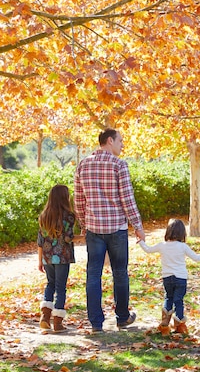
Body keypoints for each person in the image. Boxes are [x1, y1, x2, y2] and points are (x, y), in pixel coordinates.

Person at [74, 128, 146, 333]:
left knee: (93, 274)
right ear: (109, 141)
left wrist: (84, 223)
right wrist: (138, 226)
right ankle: (122, 317)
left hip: (94, 229)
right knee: (120, 273)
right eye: (120, 140)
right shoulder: (119, 165)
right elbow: (127, 199)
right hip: (117, 228)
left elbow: (79, 199)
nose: (122, 144)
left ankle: (96, 322)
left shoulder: (83, 164)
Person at [137, 219, 200, 335]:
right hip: (180, 278)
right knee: (178, 301)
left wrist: (141, 241)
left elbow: (148, 250)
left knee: (168, 298)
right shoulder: (182, 246)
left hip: (167, 278)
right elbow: (196, 258)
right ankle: (179, 325)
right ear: (182, 233)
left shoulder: (162, 245)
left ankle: (165, 322)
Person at [37, 184, 82, 334]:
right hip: (62, 256)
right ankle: (57, 322)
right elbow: (68, 238)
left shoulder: (44, 216)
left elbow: (40, 241)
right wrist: (84, 236)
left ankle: (45, 317)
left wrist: (39, 260)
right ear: (64, 197)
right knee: (61, 287)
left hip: (47, 257)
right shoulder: (68, 215)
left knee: (50, 284)